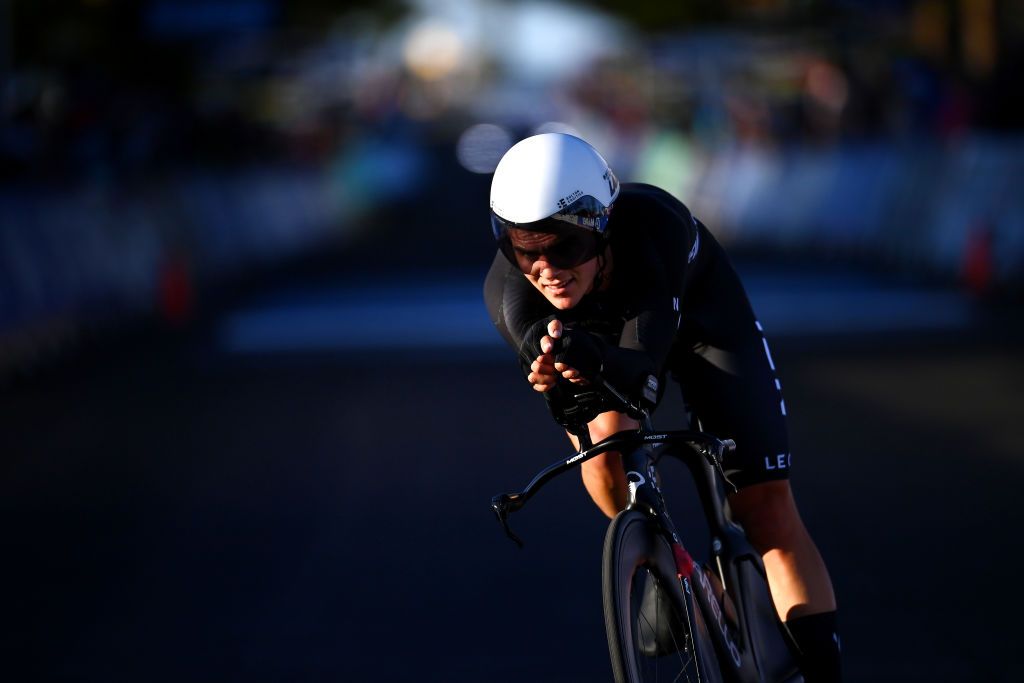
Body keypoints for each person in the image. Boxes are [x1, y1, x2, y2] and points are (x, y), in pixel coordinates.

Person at [483, 132, 841, 682]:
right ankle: (664, 563)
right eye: (524, 248)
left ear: (601, 225)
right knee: (603, 454)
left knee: (765, 510)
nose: (546, 267)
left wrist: (594, 361)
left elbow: (642, 378)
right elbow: (564, 392)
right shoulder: (509, 285)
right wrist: (558, 379)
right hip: (601, 337)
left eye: (565, 246)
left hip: (700, 322)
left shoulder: (653, 228)